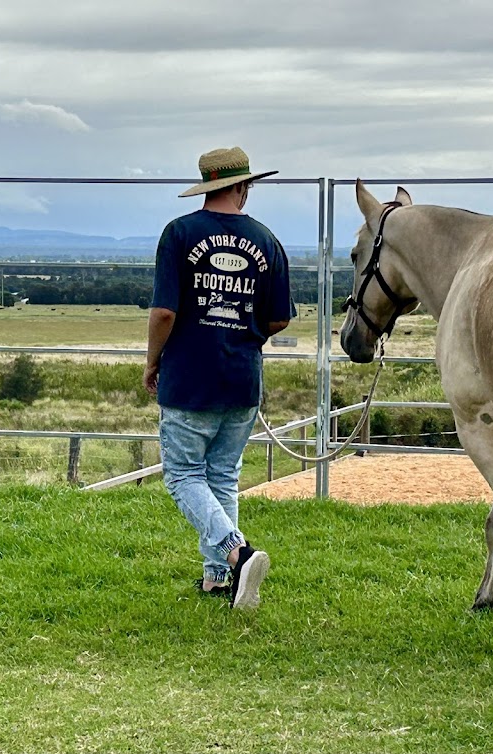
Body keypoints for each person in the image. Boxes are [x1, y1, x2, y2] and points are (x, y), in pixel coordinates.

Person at [144, 146, 295, 609]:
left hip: (190, 376)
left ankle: (237, 553)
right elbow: (278, 320)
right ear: (242, 186)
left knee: (183, 475)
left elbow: (166, 311)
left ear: (209, 185)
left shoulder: (180, 234)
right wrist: (242, 332)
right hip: (242, 378)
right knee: (223, 475)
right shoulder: (267, 241)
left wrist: (152, 361)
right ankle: (217, 579)